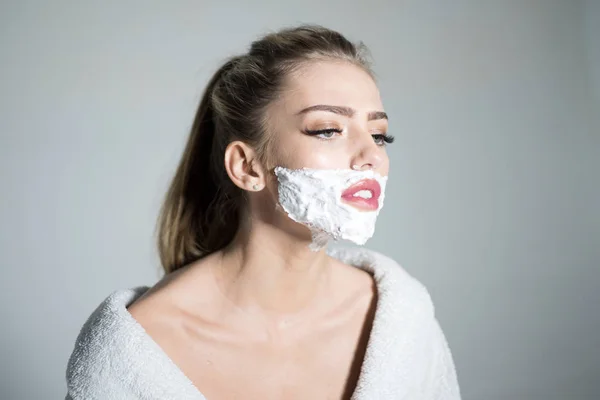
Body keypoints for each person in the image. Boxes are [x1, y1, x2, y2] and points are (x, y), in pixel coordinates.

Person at [64, 24, 461, 399]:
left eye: (379, 135)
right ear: (247, 167)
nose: (371, 155)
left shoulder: (401, 319)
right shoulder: (142, 342)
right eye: (327, 129)